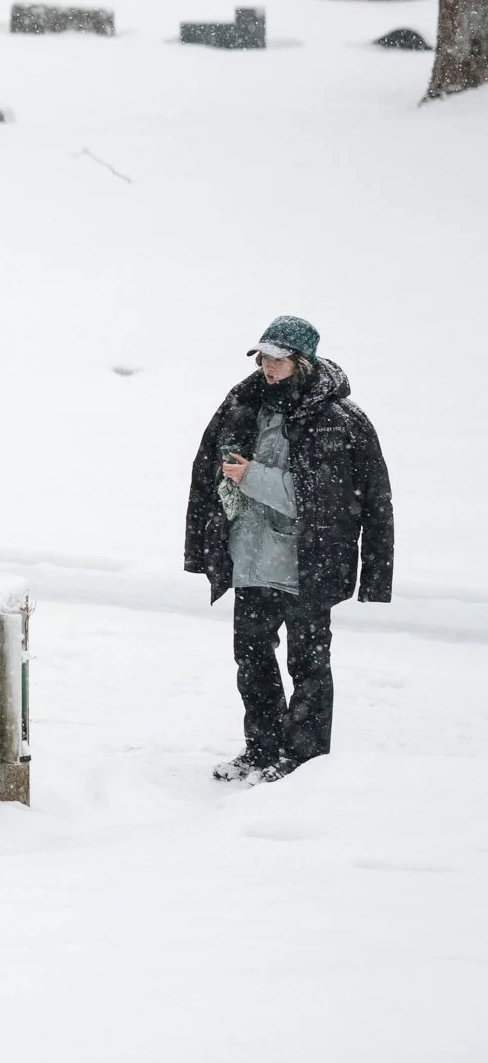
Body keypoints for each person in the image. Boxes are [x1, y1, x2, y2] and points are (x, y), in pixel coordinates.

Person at [184, 315, 392, 782]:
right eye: (263, 356)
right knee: (252, 662)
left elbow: (325, 502)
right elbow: (204, 472)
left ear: (303, 361)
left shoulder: (337, 421)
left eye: (277, 358)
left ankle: (304, 761)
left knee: (308, 666)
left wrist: (249, 476)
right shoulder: (242, 405)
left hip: (306, 567)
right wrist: (206, 539)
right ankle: (261, 750)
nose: (267, 366)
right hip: (251, 560)